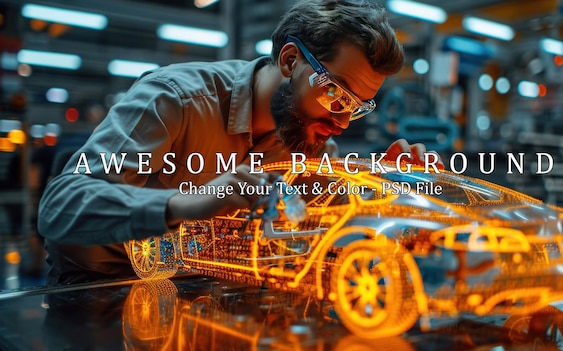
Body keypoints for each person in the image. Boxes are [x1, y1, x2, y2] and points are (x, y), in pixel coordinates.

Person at [38, 0, 438, 285]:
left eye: (356, 106)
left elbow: (322, 201)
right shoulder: (175, 99)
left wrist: (384, 183)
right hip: (97, 289)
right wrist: (190, 203)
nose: (341, 122)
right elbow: (61, 205)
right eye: (336, 94)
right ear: (290, 61)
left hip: (200, 287)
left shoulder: (302, 136)